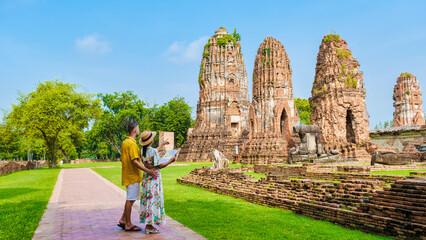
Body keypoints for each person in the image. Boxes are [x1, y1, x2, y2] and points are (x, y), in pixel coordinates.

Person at [118, 122, 159, 232]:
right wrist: (148, 171)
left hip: (127, 174)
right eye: (138, 129)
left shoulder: (125, 142)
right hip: (132, 175)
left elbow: (123, 159)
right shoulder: (132, 144)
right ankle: (128, 224)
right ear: (135, 130)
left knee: (130, 199)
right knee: (130, 200)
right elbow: (135, 162)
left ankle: (123, 220)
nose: (139, 130)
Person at [139, 130, 176, 234]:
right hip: (154, 178)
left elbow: (153, 152)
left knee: (148, 200)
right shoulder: (153, 152)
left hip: (147, 177)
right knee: (153, 200)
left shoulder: (143, 150)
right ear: (151, 140)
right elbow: (159, 165)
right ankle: (149, 227)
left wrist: (162, 144)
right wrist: (170, 161)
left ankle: (148, 224)